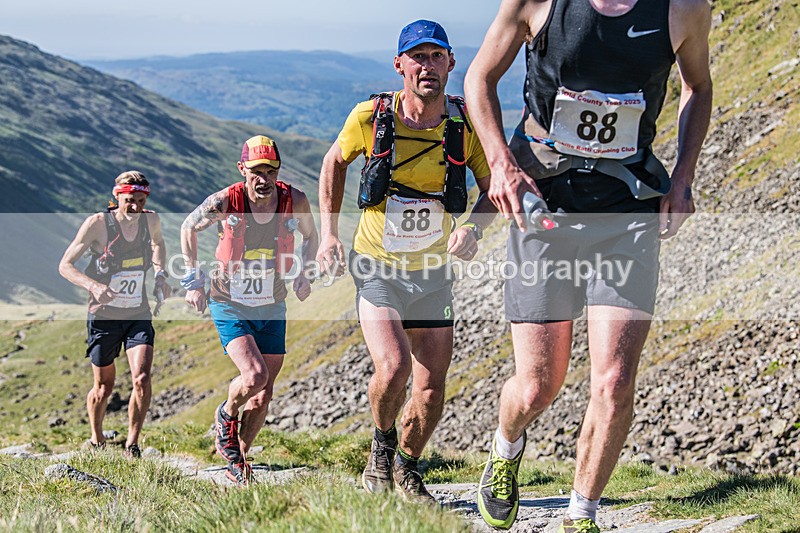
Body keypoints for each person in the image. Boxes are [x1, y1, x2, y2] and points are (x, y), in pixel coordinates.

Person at [464, 0, 712, 530]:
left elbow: (699, 86)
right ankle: (506, 448)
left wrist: (684, 176)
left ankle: (582, 513)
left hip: (628, 212)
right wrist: (501, 166)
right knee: (537, 387)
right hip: (545, 209)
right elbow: (479, 78)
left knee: (615, 381)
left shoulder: (684, 8)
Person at [316, 20, 496, 503]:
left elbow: (493, 188)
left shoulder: (464, 125)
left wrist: (473, 228)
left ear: (451, 63)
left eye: (437, 56)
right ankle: (381, 443)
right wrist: (328, 234)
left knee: (431, 388)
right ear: (400, 65)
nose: (427, 66)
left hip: (433, 273)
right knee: (394, 368)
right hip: (376, 265)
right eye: (418, 57)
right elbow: (334, 162)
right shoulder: (371, 117)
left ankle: (407, 467)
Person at [181, 135, 318, 484]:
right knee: (255, 376)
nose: (264, 179)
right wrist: (193, 280)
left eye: (271, 171)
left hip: (272, 303)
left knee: (263, 393)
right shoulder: (226, 201)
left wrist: (304, 272)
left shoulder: (294, 200)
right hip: (229, 301)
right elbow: (188, 227)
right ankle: (226, 413)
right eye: (256, 171)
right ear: (242, 169)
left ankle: (238, 460)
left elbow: (311, 237)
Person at [59, 171, 171, 458]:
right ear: (117, 196)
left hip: (138, 313)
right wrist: (94, 286)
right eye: (129, 200)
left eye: (141, 201)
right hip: (104, 317)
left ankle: (132, 444)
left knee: (141, 378)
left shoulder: (151, 220)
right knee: (103, 386)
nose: (135, 207)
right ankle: (97, 438)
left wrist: (160, 274)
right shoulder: (98, 224)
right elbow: (65, 265)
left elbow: (158, 243)